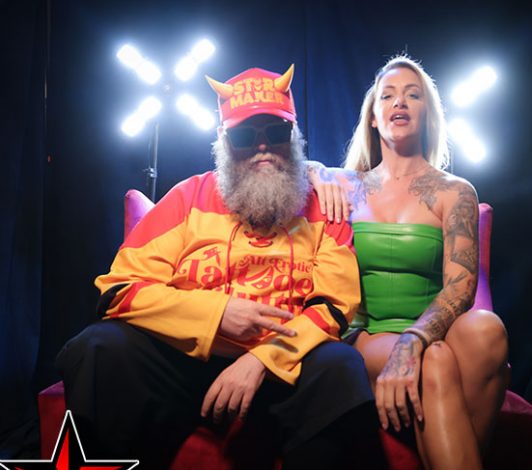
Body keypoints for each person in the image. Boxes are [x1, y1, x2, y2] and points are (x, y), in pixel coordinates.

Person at [56, 64, 384, 470]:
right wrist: (216, 315)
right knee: (99, 347)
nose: (262, 147)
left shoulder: (324, 208)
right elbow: (118, 290)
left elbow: (333, 308)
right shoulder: (187, 197)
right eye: (245, 136)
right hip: (184, 362)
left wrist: (261, 359)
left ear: (294, 137)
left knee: (340, 366)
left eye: (276, 132)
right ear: (224, 142)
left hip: (283, 368)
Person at [308, 55, 510, 470]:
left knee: (487, 329)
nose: (399, 102)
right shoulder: (343, 184)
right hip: (367, 334)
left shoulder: (456, 191)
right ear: (373, 118)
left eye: (413, 95)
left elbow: (461, 288)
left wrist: (413, 340)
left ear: (428, 115)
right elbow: (288, 165)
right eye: (387, 96)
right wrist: (314, 171)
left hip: (431, 332)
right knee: (437, 360)